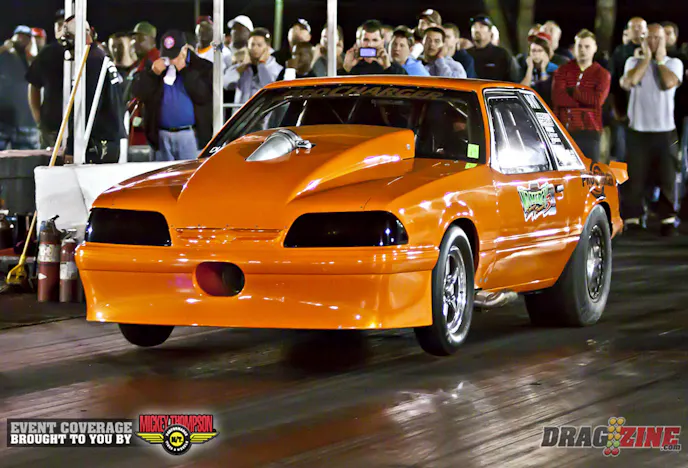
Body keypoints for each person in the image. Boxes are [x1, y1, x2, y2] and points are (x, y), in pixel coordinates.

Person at [620, 24, 683, 236]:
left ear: (665, 40)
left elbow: (668, 83)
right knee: (635, 178)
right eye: (650, 38)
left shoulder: (674, 63)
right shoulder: (633, 62)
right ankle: (633, 218)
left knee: (667, 177)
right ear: (643, 40)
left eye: (658, 38)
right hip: (638, 130)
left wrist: (659, 61)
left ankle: (667, 219)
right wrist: (646, 59)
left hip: (665, 131)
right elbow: (630, 81)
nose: (654, 42)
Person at [132, 30, 213, 161]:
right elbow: (139, 93)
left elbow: (203, 96)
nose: (170, 60)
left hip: (190, 136)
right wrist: (152, 74)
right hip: (161, 136)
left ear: (184, 50)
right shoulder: (155, 66)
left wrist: (185, 71)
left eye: (174, 55)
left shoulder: (202, 67)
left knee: (189, 172)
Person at [552, 30, 611, 163]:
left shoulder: (602, 74)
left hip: (590, 131)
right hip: (564, 130)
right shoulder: (563, 70)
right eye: (580, 46)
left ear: (595, 48)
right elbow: (558, 98)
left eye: (587, 46)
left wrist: (573, 92)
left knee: (589, 170)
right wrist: (584, 101)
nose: (583, 50)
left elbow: (597, 101)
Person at [25, 10, 67, 148]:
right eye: (58, 24)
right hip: (51, 128)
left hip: (81, 127)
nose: (61, 28)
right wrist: (39, 120)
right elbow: (33, 85)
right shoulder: (47, 53)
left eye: (65, 24)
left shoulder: (87, 52)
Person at [0, 26, 39, 150]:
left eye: (26, 37)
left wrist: (31, 51)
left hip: (24, 121)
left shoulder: (30, 58)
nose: (22, 40)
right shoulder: (4, 54)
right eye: (19, 36)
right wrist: (4, 48)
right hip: (3, 119)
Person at [223, 28, 283, 105]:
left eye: (259, 45)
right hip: (241, 111)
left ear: (268, 48)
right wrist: (243, 66)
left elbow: (269, 90)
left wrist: (261, 65)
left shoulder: (277, 69)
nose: (255, 48)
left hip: (263, 112)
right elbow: (226, 84)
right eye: (252, 44)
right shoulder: (242, 66)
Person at [341, 20, 406, 75]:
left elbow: (404, 84)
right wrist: (346, 69)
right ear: (359, 41)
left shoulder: (395, 68)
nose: (370, 44)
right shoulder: (351, 66)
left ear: (382, 41)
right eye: (366, 40)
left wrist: (388, 68)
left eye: (375, 40)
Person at [468, 14, 519, 82]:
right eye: (474, 26)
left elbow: (513, 80)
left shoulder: (502, 54)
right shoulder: (466, 54)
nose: (477, 30)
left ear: (490, 31)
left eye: (481, 27)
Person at [520, 32, 558, 106]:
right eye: (533, 51)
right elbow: (522, 89)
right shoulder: (525, 67)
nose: (536, 54)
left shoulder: (553, 69)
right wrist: (530, 68)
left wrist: (543, 69)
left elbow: (544, 91)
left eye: (540, 51)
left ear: (546, 53)